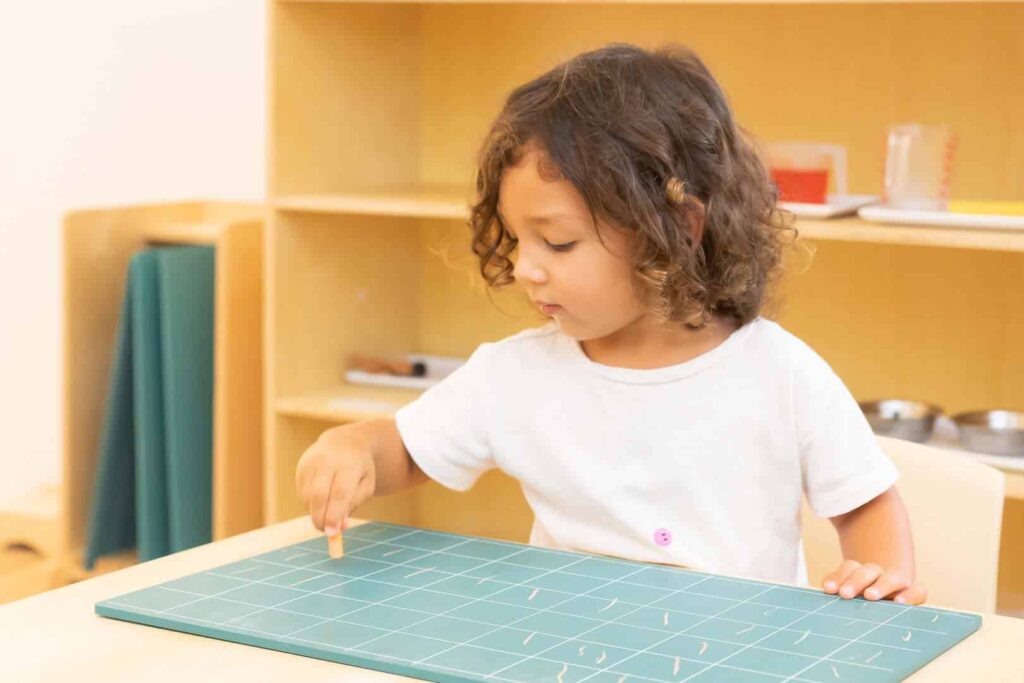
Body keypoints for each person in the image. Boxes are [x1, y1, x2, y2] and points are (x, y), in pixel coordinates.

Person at [296, 43, 926, 605]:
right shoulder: (516, 374)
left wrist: (880, 578)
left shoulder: (779, 374)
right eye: (517, 239)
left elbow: (865, 505)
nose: (524, 269)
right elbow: (406, 450)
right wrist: (354, 449)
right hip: (567, 650)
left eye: (558, 242)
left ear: (676, 229)